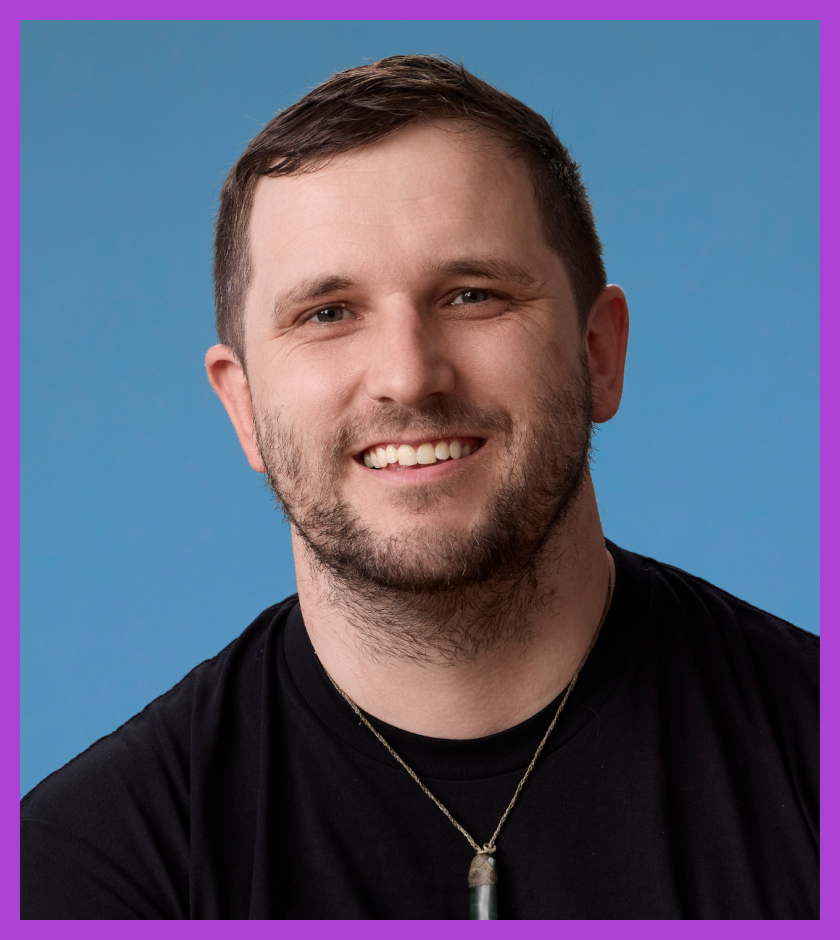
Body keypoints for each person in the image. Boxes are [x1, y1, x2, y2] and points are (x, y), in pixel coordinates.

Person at [20, 55, 818, 920]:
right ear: (243, 408)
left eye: (473, 295)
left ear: (599, 355)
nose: (407, 376)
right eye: (327, 313)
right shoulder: (83, 872)